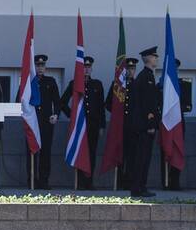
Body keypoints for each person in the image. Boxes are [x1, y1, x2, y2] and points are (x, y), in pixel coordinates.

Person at [60, 55, 105, 190]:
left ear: (91, 69)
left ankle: (89, 182)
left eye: (88, 67)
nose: (86, 69)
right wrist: (71, 116)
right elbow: (62, 102)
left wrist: (102, 125)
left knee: (91, 153)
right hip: (79, 126)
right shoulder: (74, 84)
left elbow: (101, 107)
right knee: (79, 152)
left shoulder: (97, 84)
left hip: (93, 126)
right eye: (84, 67)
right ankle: (79, 183)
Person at [130, 46, 160, 198]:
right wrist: (150, 125)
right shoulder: (145, 77)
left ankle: (141, 186)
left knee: (144, 157)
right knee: (142, 158)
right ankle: (138, 187)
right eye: (154, 57)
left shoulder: (148, 76)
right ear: (148, 58)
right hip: (144, 126)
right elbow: (146, 104)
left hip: (143, 125)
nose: (156, 59)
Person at [105, 57, 138, 189]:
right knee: (119, 154)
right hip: (120, 127)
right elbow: (108, 104)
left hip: (134, 127)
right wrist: (117, 114)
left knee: (132, 156)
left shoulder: (138, 85)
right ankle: (118, 181)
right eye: (128, 69)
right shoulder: (117, 85)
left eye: (132, 69)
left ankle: (129, 181)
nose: (130, 71)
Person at [29, 54, 60, 190]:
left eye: (42, 65)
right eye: (37, 65)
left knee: (45, 152)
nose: (40, 68)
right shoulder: (29, 81)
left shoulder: (51, 81)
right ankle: (31, 180)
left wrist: (56, 114)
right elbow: (20, 99)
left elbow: (57, 101)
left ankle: (44, 180)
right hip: (32, 122)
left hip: (46, 122)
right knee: (31, 151)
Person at [161, 59, 192, 190]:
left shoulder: (183, 85)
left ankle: (175, 182)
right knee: (166, 152)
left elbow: (189, 105)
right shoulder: (162, 85)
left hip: (178, 123)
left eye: (176, 69)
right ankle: (166, 182)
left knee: (177, 151)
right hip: (167, 124)